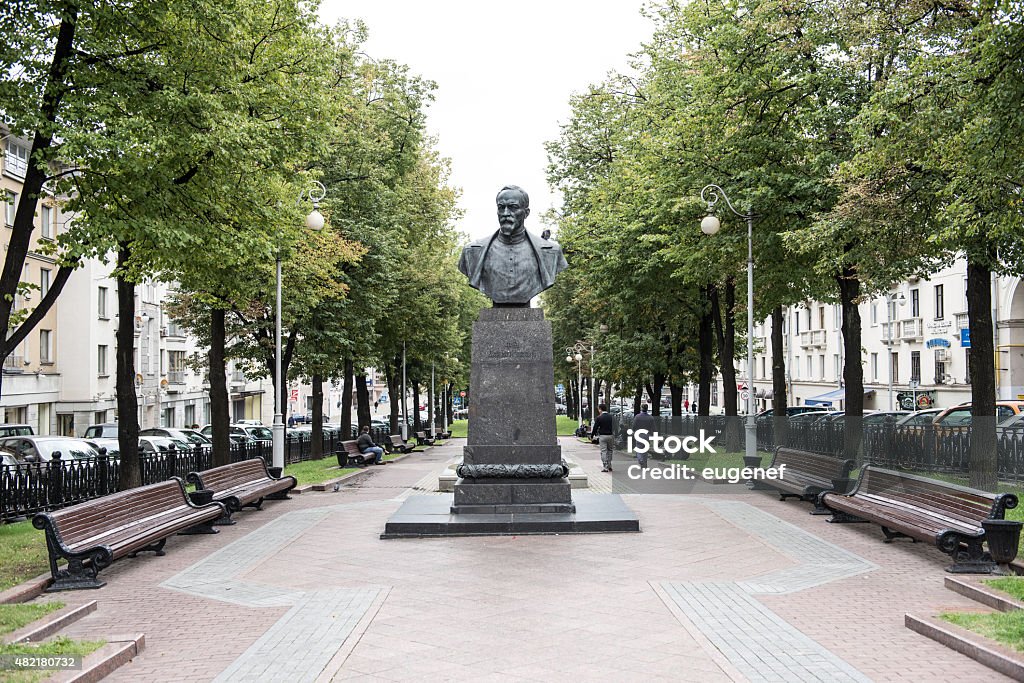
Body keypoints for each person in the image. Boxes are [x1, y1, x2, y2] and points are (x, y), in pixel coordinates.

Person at [458, 186, 569, 306]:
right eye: (501, 208)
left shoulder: (551, 252)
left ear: (526, 213)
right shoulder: (472, 252)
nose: (506, 213)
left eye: (513, 207)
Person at [631, 404, 656, 468]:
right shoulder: (651, 417)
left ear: (641, 408)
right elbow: (654, 428)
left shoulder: (637, 417)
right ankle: (644, 464)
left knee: (639, 449)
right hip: (647, 435)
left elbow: (633, 426)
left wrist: (633, 431)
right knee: (645, 450)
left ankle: (641, 460)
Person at [593, 403, 615, 472]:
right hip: (611, 436)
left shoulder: (599, 417)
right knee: (610, 450)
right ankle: (609, 465)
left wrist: (592, 435)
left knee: (604, 451)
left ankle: (605, 466)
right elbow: (616, 426)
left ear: (600, 409)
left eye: (599, 409)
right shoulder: (611, 416)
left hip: (602, 436)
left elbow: (595, 427)